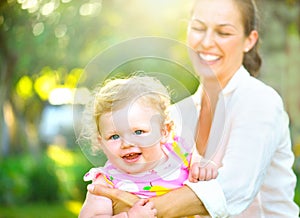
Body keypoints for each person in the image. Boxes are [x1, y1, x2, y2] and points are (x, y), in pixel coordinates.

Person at [86, 0, 300, 217]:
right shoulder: (177, 114)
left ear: (249, 40)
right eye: (198, 28)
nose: (206, 42)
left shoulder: (259, 101)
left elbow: (233, 189)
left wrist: (136, 209)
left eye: (223, 33)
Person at [78, 75, 219, 218]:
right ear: (102, 143)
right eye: (114, 136)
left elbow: (200, 160)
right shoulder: (107, 182)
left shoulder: (178, 152)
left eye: (138, 132)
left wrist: (204, 166)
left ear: (164, 132)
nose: (127, 144)